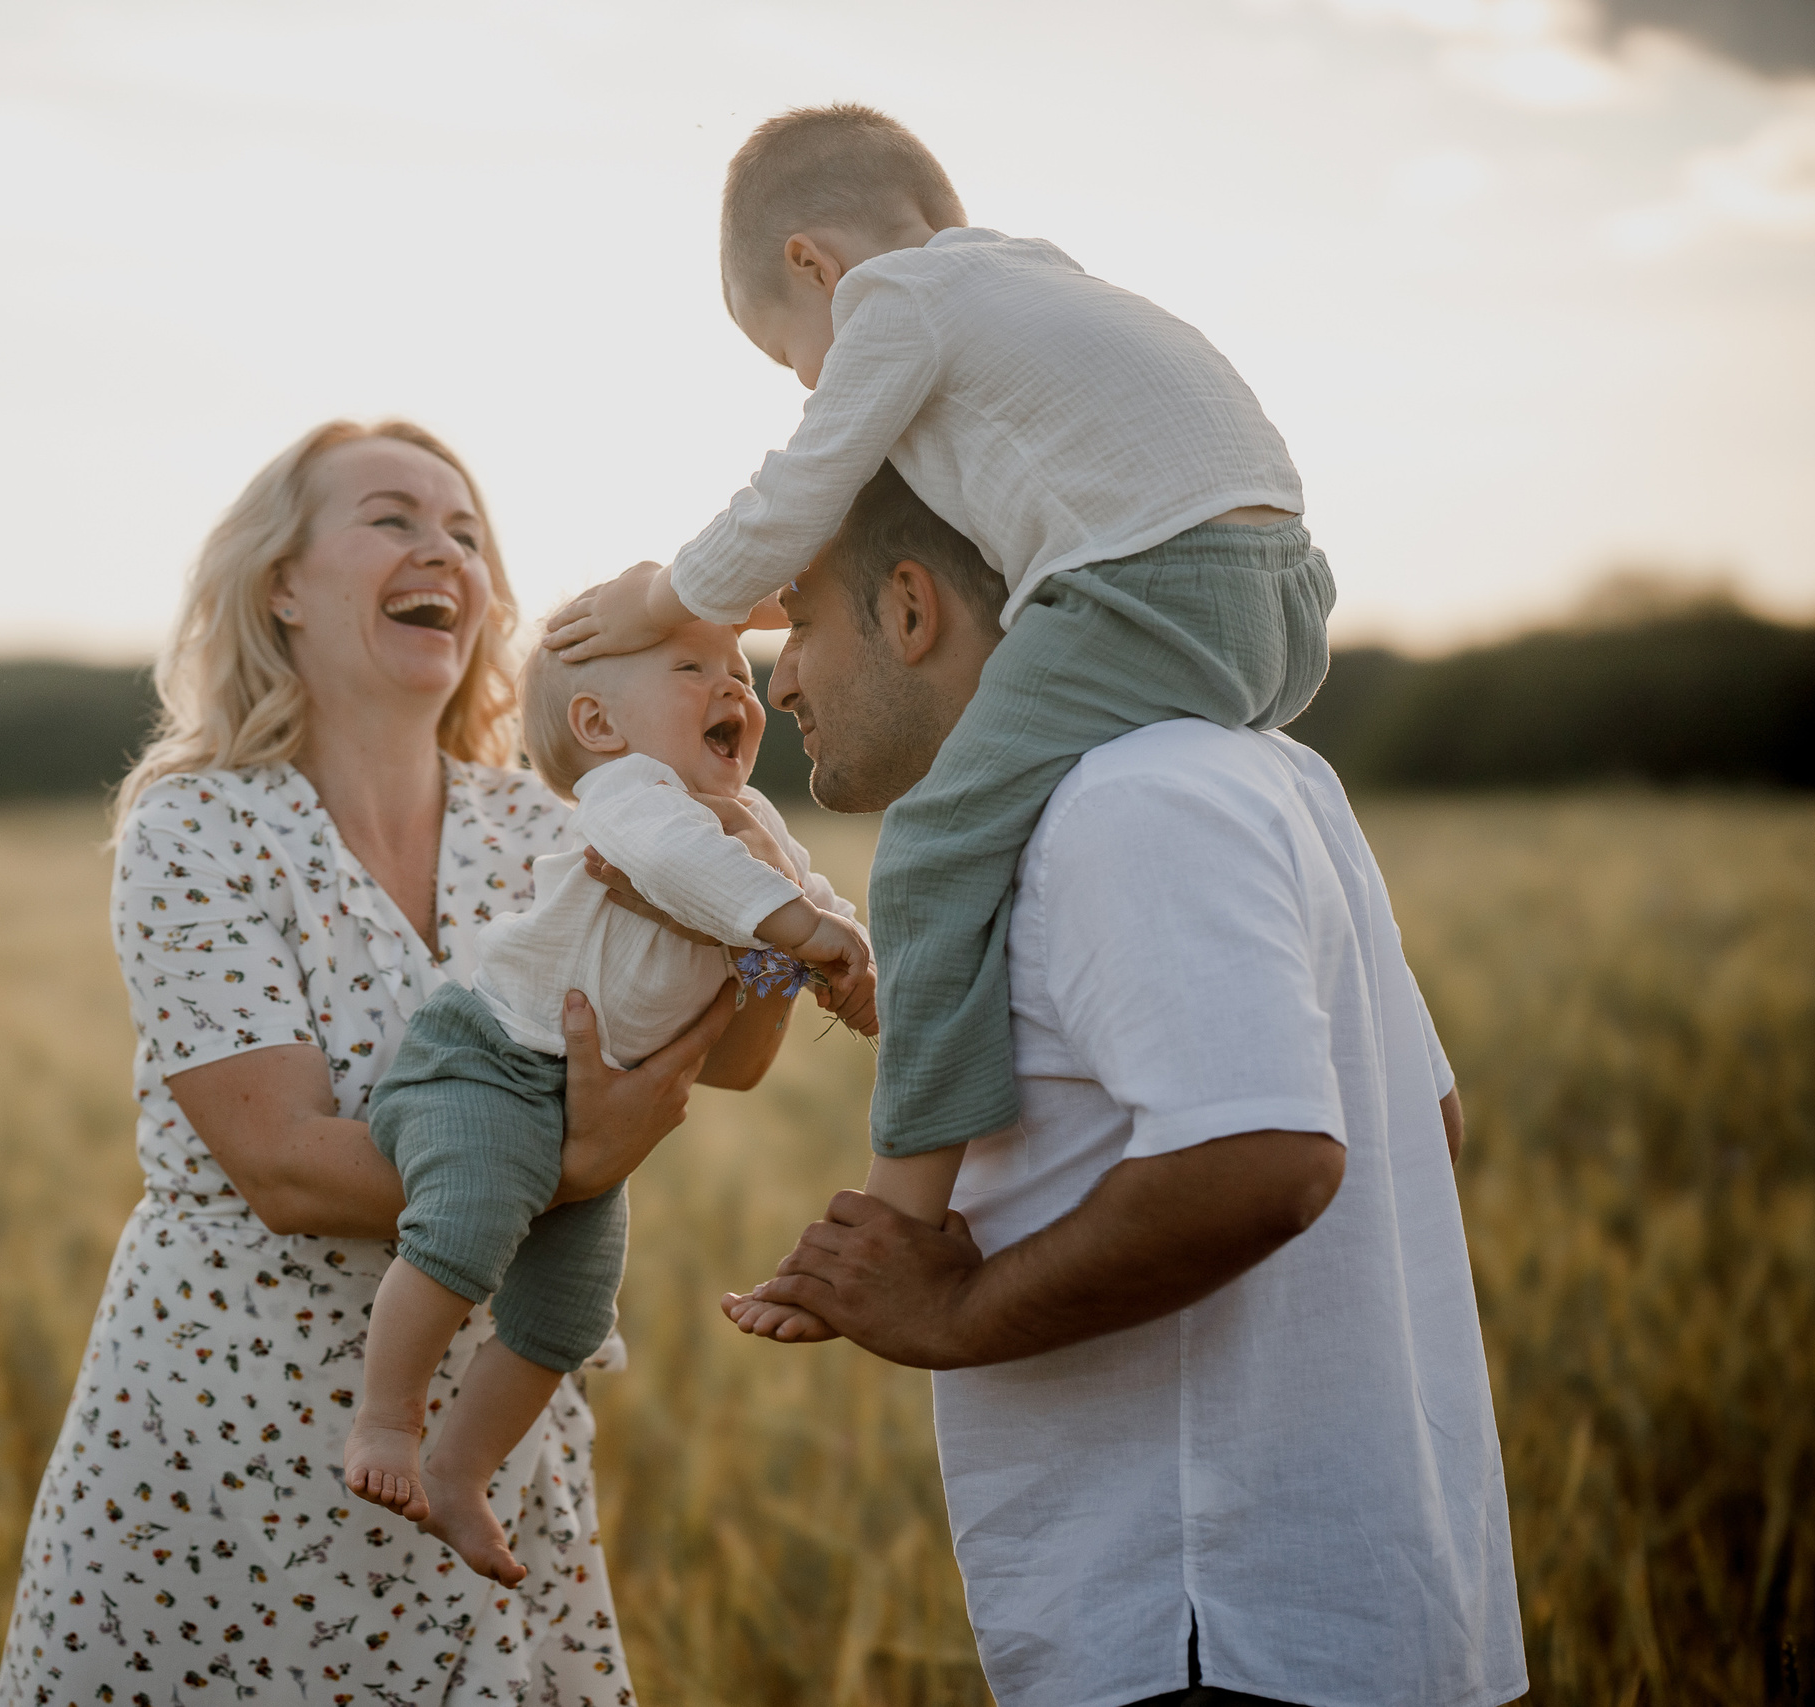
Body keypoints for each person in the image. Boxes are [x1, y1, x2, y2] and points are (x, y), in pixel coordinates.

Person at [0, 420, 788, 1707]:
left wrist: (752, 875)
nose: (443, 553)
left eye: (466, 533)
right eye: (393, 519)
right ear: (280, 588)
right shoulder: (196, 824)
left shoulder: (543, 820)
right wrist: (580, 1159)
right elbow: (289, 1166)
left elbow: (733, 1059)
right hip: (225, 1443)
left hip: (483, 1453)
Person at [721, 465, 1525, 1706]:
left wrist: (957, 1314)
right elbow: (1422, 1126)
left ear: (911, 607)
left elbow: (1266, 1158)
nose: (778, 679)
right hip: (1317, 1605)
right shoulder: (1272, 775)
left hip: (1212, 1609)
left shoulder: (1123, 802)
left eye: (800, 622)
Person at [544, 102, 1332, 1221]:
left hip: (1148, 587)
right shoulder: (1037, 285)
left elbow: (798, 490)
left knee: (931, 848)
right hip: (1285, 595)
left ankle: (902, 1207)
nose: (812, 388)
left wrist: (666, 595)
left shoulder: (894, 302)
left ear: (811, 266)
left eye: (789, 356)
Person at [344, 609, 875, 1583]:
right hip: (488, 1059)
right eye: (691, 668)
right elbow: (693, 872)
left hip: (574, 1096)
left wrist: (842, 959)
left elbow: (788, 917)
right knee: (462, 1225)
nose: (735, 686)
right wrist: (799, 930)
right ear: (598, 725)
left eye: (736, 670)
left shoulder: (747, 818)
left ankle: (460, 1468)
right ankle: (386, 1421)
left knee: (571, 1315)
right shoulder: (630, 794)